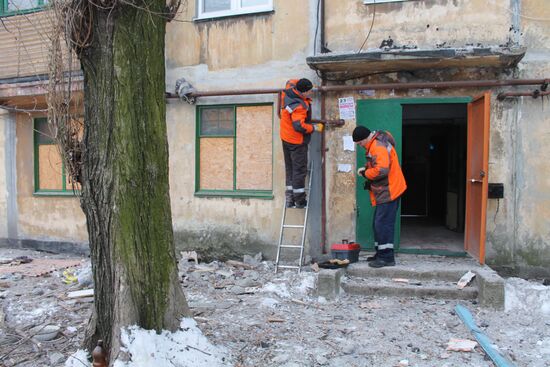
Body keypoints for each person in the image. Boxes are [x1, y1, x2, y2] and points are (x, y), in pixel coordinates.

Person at [353, 126, 407, 268]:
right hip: (387, 190)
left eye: (359, 143)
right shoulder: (376, 144)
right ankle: (381, 253)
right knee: (379, 224)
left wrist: (365, 173)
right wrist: (367, 170)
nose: (360, 146)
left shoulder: (377, 146)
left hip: (389, 190)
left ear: (365, 138)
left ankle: (387, 257)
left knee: (383, 224)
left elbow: (381, 170)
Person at [280, 78, 324, 208]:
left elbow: (290, 80)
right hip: (296, 141)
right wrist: (314, 128)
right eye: (309, 91)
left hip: (285, 137)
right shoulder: (299, 106)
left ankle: (289, 199)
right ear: (303, 92)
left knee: (290, 169)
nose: (311, 92)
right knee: (299, 170)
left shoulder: (287, 92)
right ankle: (299, 201)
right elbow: (299, 126)